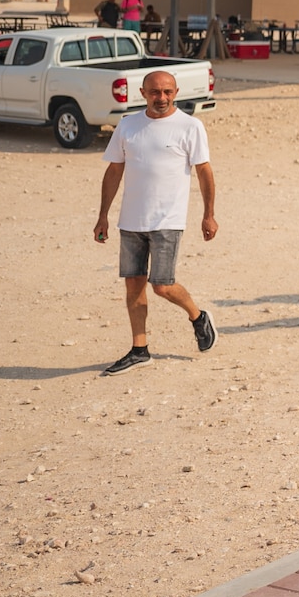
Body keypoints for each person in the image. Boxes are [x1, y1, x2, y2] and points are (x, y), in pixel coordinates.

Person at [94, 70, 218, 375]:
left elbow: (204, 172)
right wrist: (103, 216)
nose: (160, 98)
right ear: (143, 92)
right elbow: (114, 172)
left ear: (175, 92)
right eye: (154, 92)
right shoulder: (128, 125)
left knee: (162, 285)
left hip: (167, 219)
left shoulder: (190, 126)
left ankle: (198, 316)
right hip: (131, 220)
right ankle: (140, 349)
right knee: (133, 285)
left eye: (166, 92)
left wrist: (209, 213)